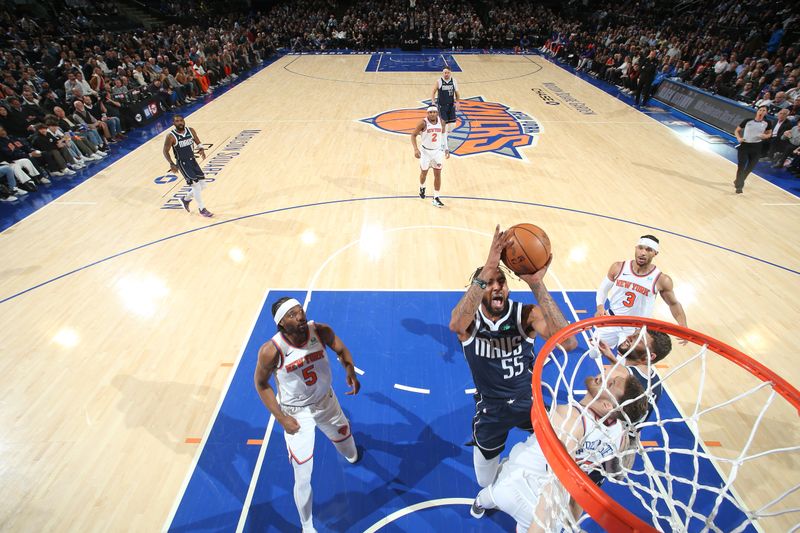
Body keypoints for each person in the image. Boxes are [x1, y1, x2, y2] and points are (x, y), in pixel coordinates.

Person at [450, 225, 578, 488]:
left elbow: (568, 342)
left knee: (555, 458)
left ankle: (514, 467)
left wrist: (536, 283)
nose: (497, 287)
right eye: (489, 283)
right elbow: (455, 324)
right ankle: (492, 489)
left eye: (501, 281)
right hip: (490, 408)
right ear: (479, 288)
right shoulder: (470, 322)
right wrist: (488, 267)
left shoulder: (525, 314)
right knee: (484, 481)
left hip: (528, 402)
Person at [469, 369, 648, 532]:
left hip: (516, 487)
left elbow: (556, 482)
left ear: (608, 405)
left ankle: (478, 504)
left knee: (489, 495)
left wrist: (539, 527)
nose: (605, 376)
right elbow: (614, 474)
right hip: (550, 512)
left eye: (611, 383)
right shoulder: (619, 435)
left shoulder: (569, 418)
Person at [254, 297, 361, 533]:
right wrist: (281, 418)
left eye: (300, 310)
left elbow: (341, 350)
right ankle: (307, 526)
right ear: (281, 323)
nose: (300, 316)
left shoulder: (320, 331)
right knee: (302, 476)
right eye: (292, 315)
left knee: (350, 451)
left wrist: (350, 370)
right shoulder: (271, 351)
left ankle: (351, 453)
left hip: (327, 404)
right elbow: (261, 385)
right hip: (296, 415)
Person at [595, 235, 687, 348]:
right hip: (611, 319)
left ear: (655, 253)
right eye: (640, 248)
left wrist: (683, 325)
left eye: (648, 250)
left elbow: (673, 304)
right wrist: (600, 306)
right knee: (595, 351)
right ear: (636, 248)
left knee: (625, 358)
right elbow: (603, 289)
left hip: (635, 329)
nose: (643, 252)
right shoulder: (618, 267)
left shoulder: (661, 279)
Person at [162, 114, 212, 217]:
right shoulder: (171, 136)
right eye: (177, 121)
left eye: (181, 120)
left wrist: (201, 148)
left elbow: (197, 140)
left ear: (184, 121)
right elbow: (165, 151)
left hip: (192, 160)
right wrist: (171, 163)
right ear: (173, 123)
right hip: (183, 163)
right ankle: (202, 209)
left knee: (203, 185)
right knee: (196, 186)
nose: (180, 123)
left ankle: (185, 199)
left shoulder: (190, 130)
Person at [411, 106, 449, 208]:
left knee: (438, 174)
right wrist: (415, 149)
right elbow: (413, 135)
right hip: (425, 152)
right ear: (427, 113)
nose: (432, 114)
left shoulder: (442, 122)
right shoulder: (423, 123)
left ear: (437, 113)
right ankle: (422, 187)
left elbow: (444, 135)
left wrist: (446, 148)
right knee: (424, 173)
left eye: (434, 112)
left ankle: (436, 197)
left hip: (437, 152)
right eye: (430, 112)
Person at [733, 106, 773, 193]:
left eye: (764, 110)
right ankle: (739, 186)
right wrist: (739, 138)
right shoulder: (748, 121)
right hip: (745, 146)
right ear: (757, 111)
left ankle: (738, 180)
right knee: (741, 166)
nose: (761, 112)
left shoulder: (767, 123)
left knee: (750, 168)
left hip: (757, 147)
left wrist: (766, 136)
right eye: (760, 110)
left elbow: (770, 133)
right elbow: (737, 130)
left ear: (766, 113)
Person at [431, 67, 459, 134]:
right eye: (445, 73)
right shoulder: (439, 81)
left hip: (451, 105)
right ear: (443, 73)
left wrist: (457, 102)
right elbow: (433, 92)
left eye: (448, 73)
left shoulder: (454, 81)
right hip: (442, 106)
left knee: (453, 124)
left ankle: (446, 135)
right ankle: (443, 136)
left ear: (450, 73)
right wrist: (433, 102)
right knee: (444, 124)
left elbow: (457, 93)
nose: (446, 74)